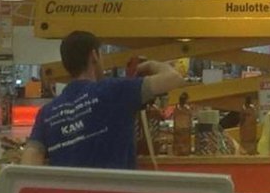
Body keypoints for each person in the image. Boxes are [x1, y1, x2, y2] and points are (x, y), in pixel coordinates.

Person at [20, 30, 185, 170]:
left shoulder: (47, 113)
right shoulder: (115, 91)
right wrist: (151, 65)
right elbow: (174, 78)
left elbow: (31, 158)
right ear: (94, 56)